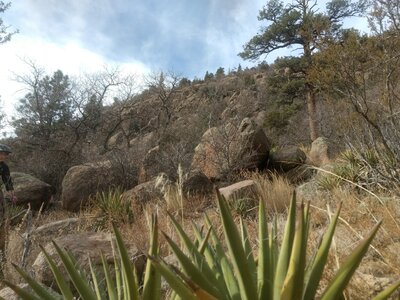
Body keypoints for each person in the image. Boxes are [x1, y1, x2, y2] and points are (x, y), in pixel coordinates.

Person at [0, 144, 15, 212]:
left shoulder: (4, 167)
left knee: (2, 208)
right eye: (1, 153)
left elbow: (7, 181)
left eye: (5, 154)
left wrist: (12, 195)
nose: (3, 156)